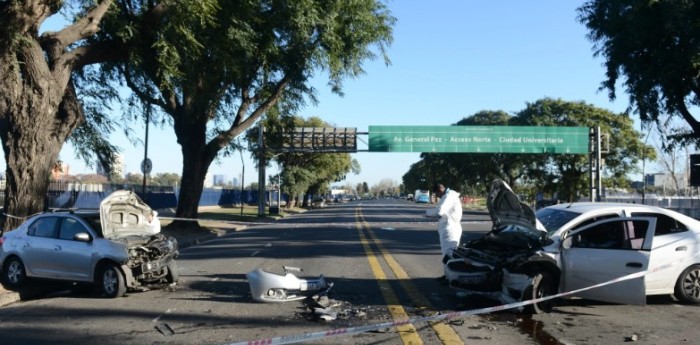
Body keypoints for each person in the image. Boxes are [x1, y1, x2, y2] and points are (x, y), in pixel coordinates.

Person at [425, 183, 463, 283]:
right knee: (448, 253)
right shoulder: (449, 195)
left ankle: (450, 277)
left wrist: (427, 213)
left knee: (448, 253)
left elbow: (439, 211)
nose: (437, 196)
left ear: (440, 190)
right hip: (449, 227)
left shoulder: (448, 196)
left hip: (450, 228)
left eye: (437, 194)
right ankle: (447, 275)